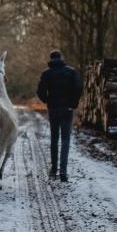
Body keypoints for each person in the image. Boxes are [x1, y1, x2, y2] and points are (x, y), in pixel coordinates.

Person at [37, 50, 83, 182]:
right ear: (61, 58)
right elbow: (79, 86)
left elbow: (40, 91)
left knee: (54, 139)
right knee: (65, 139)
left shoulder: (46, 73)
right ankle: (63, 171)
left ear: (50, 59)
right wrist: (73, 103)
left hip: (53, 109)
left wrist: (47, 101)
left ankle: (53, 170)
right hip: (67, 109)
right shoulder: (71, 71)